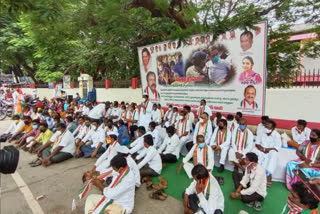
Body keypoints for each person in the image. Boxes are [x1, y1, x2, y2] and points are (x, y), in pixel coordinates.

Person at [253, 119, 281, 186]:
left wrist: (266, 150)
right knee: (254, 152)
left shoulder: (277, 135)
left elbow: (276, 148)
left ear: (273, 128)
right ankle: (255, 174)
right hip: (261, 149)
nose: (266, 128)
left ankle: (268, 175)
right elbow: (257, 143)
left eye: (269, 127)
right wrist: (262, 149)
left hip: (270, 151)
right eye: (266, 127)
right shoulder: (261, 132)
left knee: (274, 154)